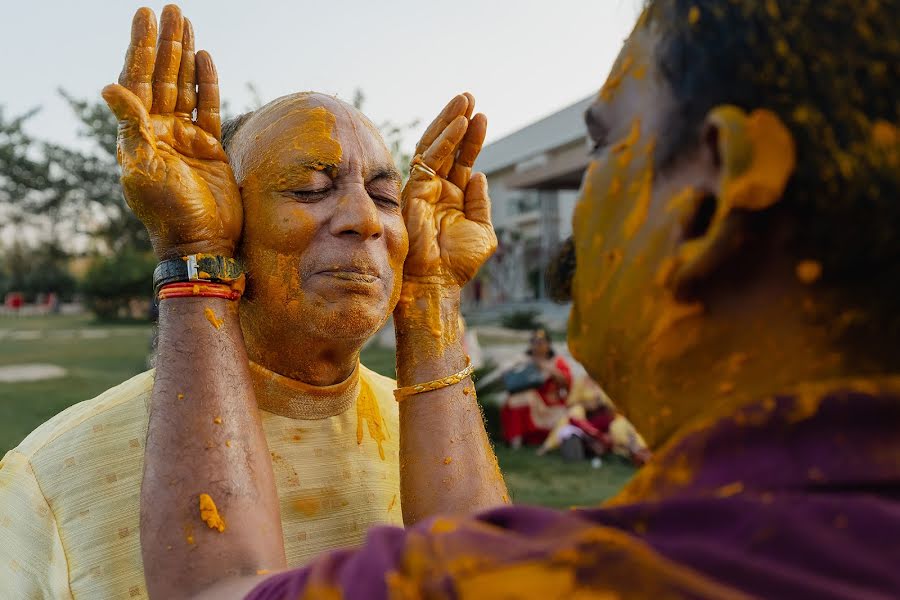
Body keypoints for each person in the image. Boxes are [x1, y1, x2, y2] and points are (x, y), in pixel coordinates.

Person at [137, 0, 900, 597]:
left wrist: (192, 261)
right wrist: (429, 296)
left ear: (705, 200)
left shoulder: (629, 574)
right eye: (309, 188)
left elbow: (219, 589)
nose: (369, 219)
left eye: (603, 146)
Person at [0, 5, 507, 598]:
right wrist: (193, 248)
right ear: (224, 221)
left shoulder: (430, 436)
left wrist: (434, 291)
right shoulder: (55, 473)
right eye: (310, 189)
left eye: (385, 196)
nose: (365, 220)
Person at [500, 329, 573, 447]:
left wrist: (546, 367)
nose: (537, 345)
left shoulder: (557, 362)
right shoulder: (523, 360)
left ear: (548, 345)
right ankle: (516, 440)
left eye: (541, 342)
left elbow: (566, 382)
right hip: (531, 400)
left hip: (550, 403)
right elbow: (506, 377)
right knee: (515, 400)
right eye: (534, 342)